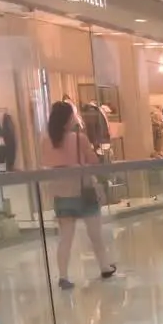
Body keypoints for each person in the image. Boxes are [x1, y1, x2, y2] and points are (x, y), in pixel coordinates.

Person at [41, 101, 115, 290]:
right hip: (83, 191)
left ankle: (63, 276)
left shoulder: (45, 141)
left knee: (65, 237)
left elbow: (46, 165)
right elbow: (92, 160)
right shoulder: (78, 138)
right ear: (67, 119)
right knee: (95, 234)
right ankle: (104, 267)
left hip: (60, 195)